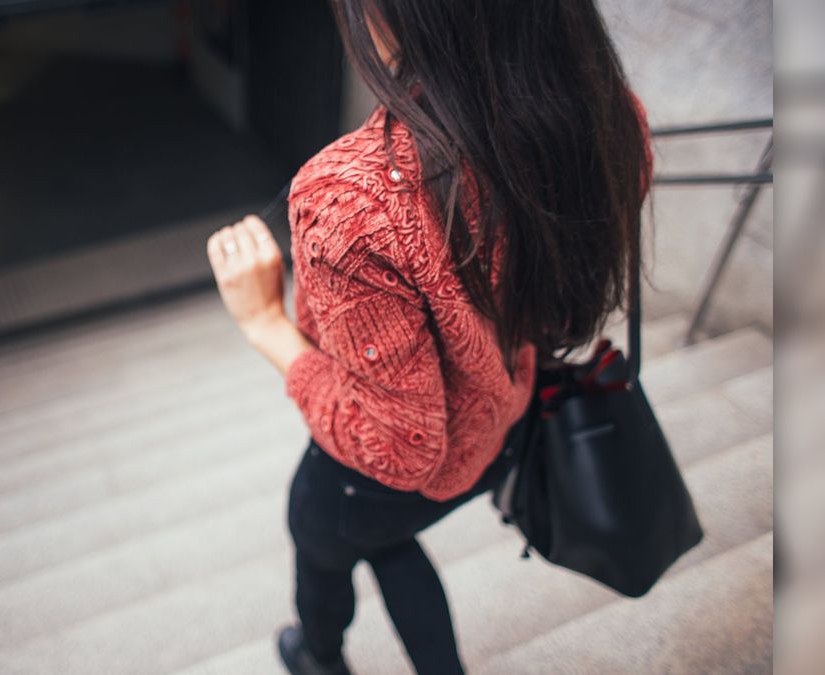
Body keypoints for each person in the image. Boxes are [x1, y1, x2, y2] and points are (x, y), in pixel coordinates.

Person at [206, 1, 653, 673]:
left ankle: (318, 653)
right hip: (505, 419)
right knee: (385, 542)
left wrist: (263, 321)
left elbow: (399, 448)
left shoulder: (353, 203)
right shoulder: (607, 111)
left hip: (387, 474)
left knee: (323, 537)